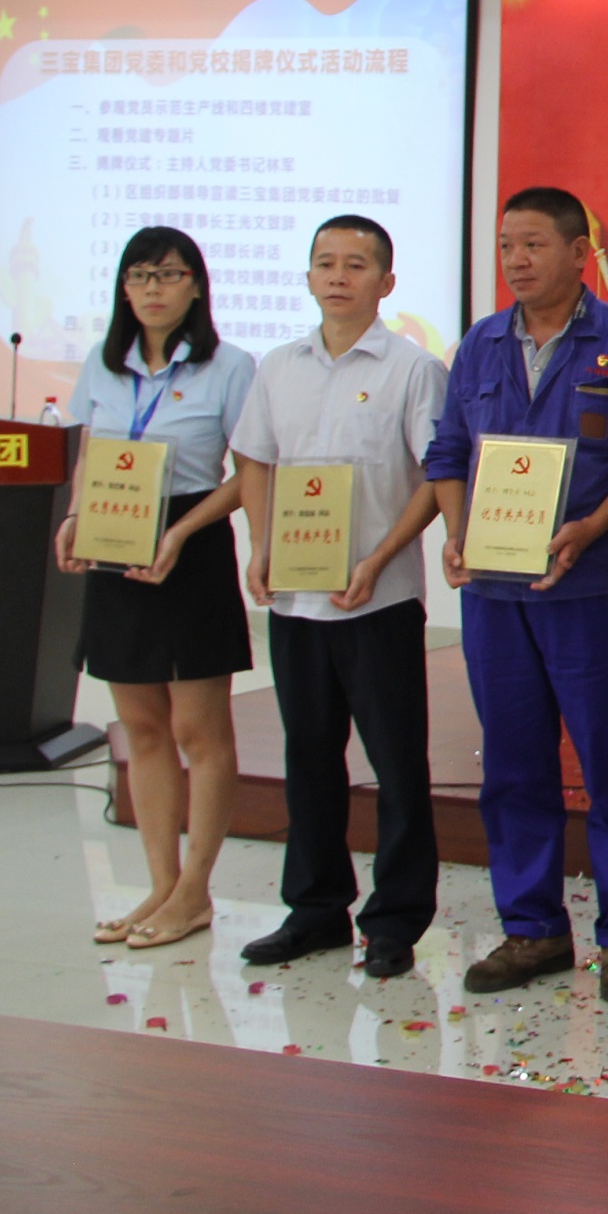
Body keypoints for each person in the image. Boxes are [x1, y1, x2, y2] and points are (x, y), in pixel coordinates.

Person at [425, 188, 608, 1005]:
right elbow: (449, 451)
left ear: (578, 253)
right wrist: (457, 533)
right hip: (496, 595)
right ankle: (531, 927)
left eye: (532, 244)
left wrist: (590, 527)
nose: (517, 261)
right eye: (506, 246)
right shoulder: (481, 344)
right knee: (512, 765)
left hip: (591, 588)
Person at [229, 215, 449, 977]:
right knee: (310, 758)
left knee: (397, 765)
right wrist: (261, 545)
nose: (338, 276)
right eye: (325, 263)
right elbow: (255, 460)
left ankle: (395, 920)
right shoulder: (277, 366)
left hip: (378, 600)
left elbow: (436, 475)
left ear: (386, 282)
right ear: (308, 277)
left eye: (356, 264)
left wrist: (381, 558)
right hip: (298, 603)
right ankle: (316, 909)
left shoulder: (412, 369)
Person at [54, 227, 257, 952]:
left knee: (199, 732)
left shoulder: (230, 367)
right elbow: (91, 453)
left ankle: (196, 891)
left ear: (195, 286)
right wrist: (75, 516)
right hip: (116, 540)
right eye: (139, 276)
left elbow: (250, 473)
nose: (152, 289)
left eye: (168, 275)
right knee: (140, 728)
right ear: (124, 287)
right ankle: (160, 885)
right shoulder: (103, 364)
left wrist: (181, 533)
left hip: (188, 545)